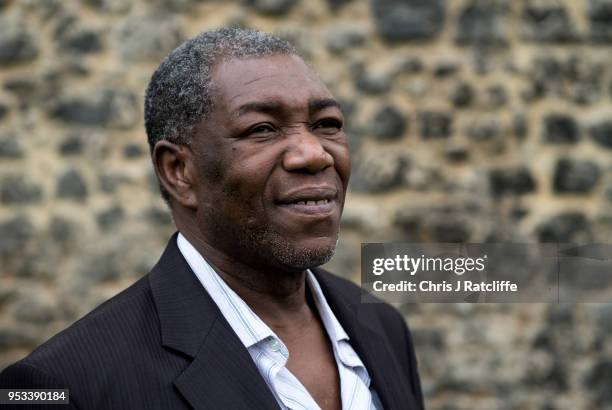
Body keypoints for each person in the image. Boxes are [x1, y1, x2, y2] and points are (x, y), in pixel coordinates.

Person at [0, 28, 424, 410]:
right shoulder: (62, 385)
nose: (314, 153)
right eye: (262, 129)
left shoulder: (381, 328)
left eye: (326, 124)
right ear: (179, 171)